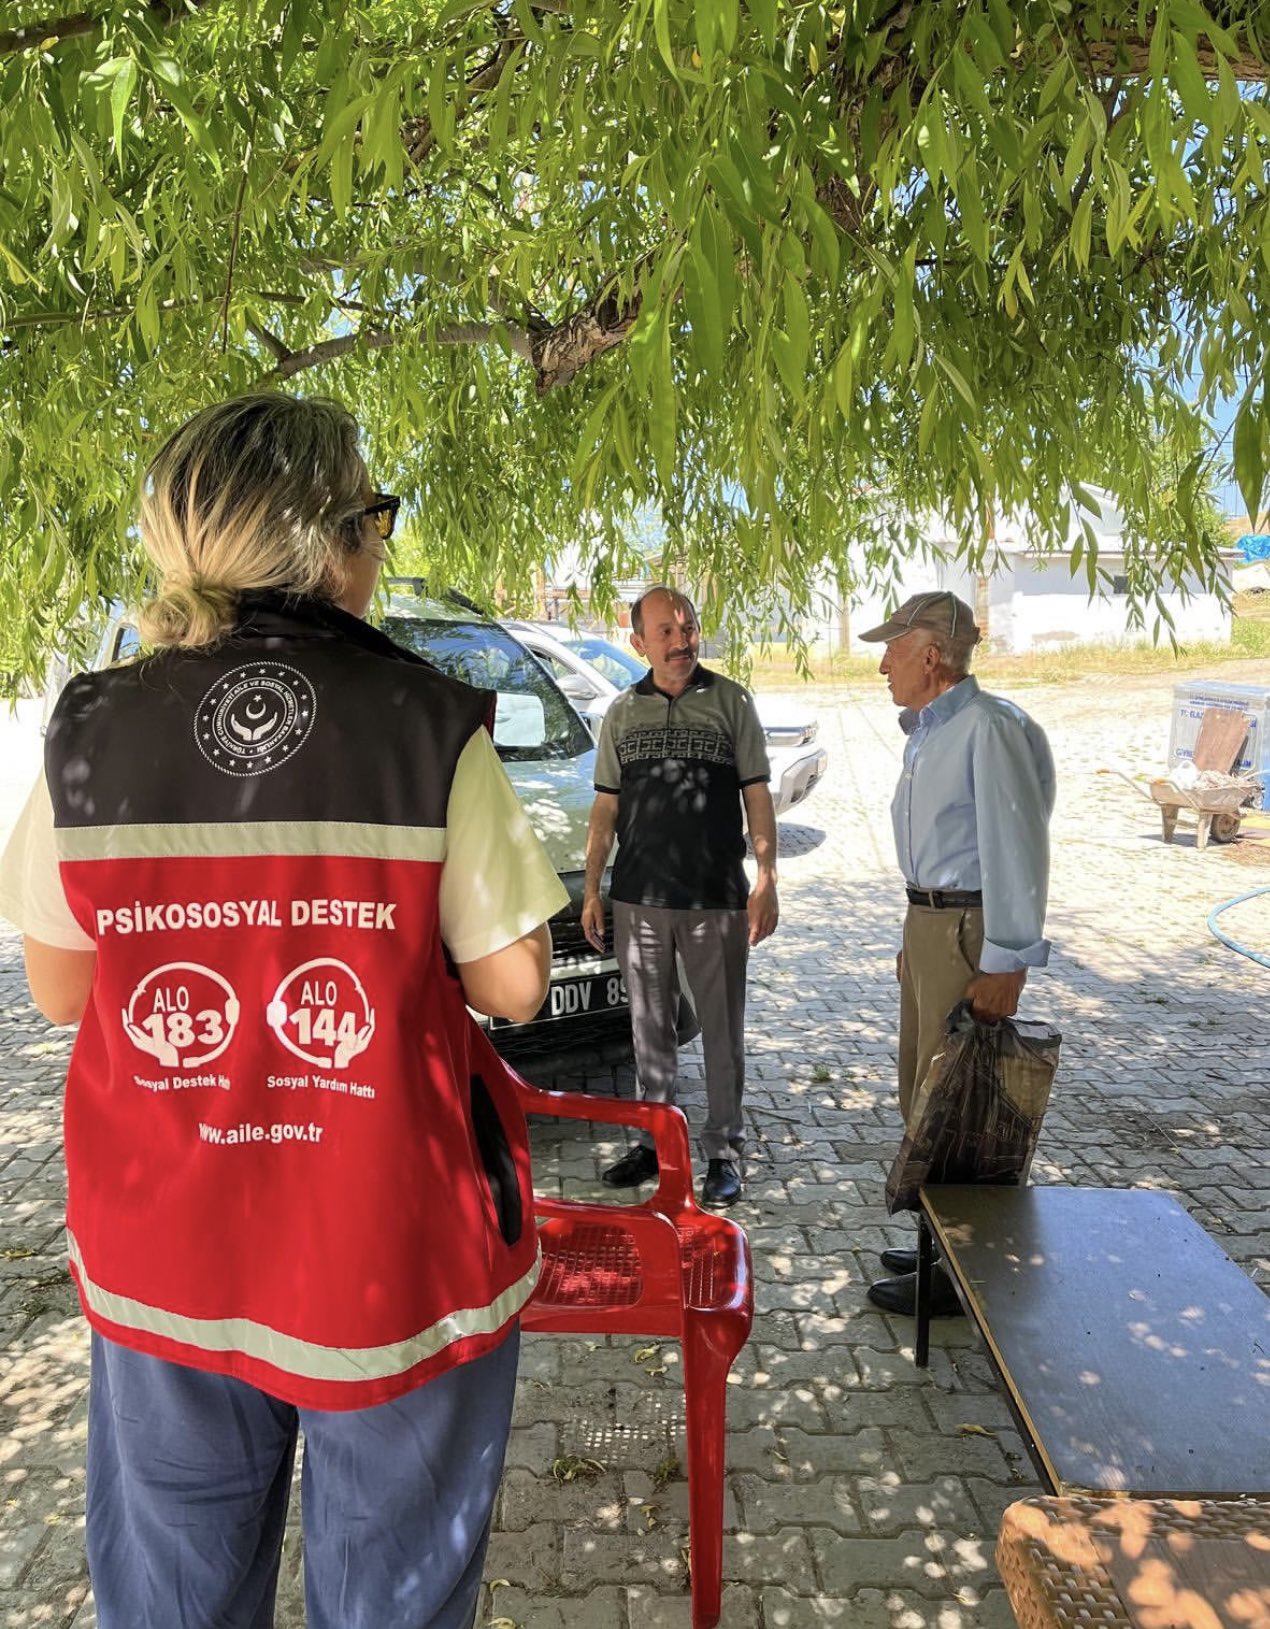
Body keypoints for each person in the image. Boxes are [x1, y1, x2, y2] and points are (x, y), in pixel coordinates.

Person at [0, 392, 569, 1629]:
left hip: (165, 1253)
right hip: (386, 1259)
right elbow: (517, 985)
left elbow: (57, 991)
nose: (379, 544)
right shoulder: (423, 724)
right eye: (373, 515)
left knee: (173, 1591)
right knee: (392, 1596)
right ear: (328, 546)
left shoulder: (86, 732)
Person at [859, 591, 1055, 1317]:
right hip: (933, 925)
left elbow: (1016, 846)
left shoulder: (987, 727)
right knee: (925, 1092)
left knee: (960, 1105)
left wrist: (1006, 958)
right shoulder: (933, 730)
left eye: (893, 650)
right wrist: (916, 934)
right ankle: (937, 1241)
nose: (883, 665)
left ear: (932, 655)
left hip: (969, 930)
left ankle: (960, 1269)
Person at [580, 586, 779, 1207]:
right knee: (649, 1029)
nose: (680, 640)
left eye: (687, 627)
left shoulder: (731, 702)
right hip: (638, 898)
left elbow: (756, 795)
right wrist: (592, 887)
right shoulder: (621, 713)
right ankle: (654, 1142)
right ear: (639, 643)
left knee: (721, 1029)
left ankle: (723, 1151)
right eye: (664, 631)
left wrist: (767, 877)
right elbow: (605, 809)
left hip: (715, 897)